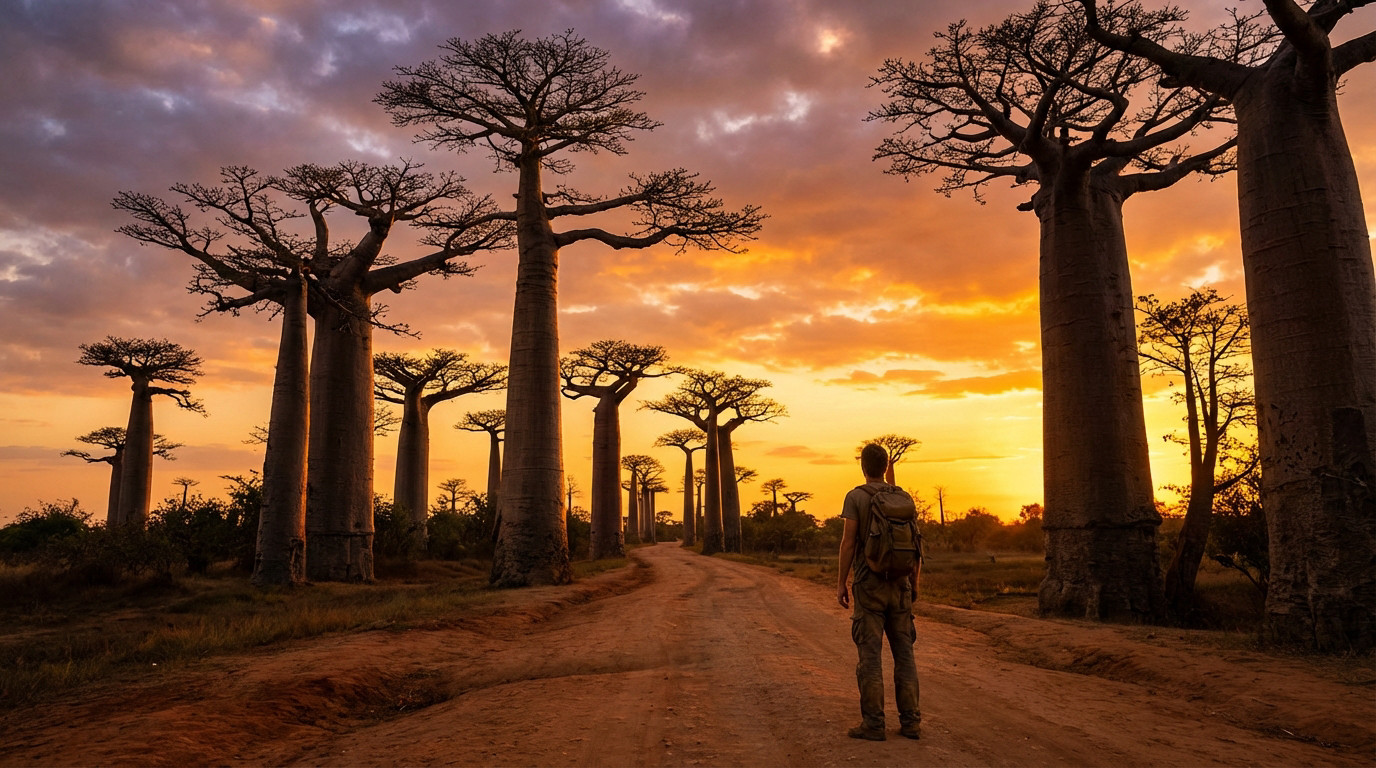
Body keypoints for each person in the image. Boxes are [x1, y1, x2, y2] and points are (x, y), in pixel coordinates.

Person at [836, 442, 921, 741]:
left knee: (870, 657)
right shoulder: (904, 498)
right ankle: (910, 722)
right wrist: (914, 585)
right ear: (886, 466)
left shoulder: (856, 496)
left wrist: (841, 583)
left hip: (869, 585)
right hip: (901, 585)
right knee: (905, 655)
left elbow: (848, 543)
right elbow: (916, 545)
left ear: (863, 466)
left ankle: (873, 724)